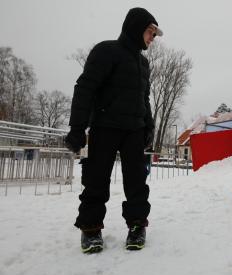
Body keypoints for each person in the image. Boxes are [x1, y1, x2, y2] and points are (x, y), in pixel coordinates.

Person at [64, 7, 163, 254]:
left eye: (154, 33)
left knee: (137, 182)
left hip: (133, 130)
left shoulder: (143, 62)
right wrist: (77, 127)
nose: (153, 37)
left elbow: (144, 97)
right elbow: (85, 88)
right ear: (136, 28)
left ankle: (137, 226)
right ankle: (91, 229)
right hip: (105, 127)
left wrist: (148, 125)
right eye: (150, 32)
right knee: (96, 179)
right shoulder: (106, 51)